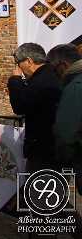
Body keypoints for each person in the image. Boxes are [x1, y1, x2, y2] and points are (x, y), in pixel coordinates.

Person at [9, 42, 61, 173]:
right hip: (49, 149)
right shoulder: (47, 77)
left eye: (18, 63)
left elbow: (19, 105)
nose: (18, 68)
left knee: (40, 191)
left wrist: (15, 80)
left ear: (29, 61)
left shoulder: (41, 81)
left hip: (43, 153)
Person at [51, 44, 82, 190]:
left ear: (64, 64)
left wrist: (64, 159)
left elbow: (66, 132)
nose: (54, 74)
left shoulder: (74, 87)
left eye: (54, 70)